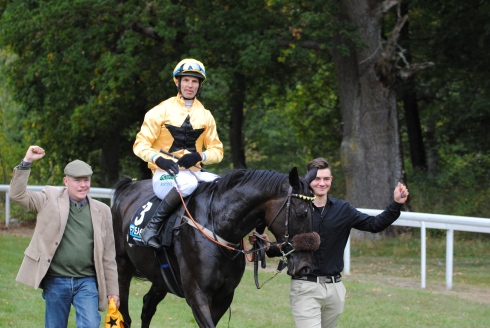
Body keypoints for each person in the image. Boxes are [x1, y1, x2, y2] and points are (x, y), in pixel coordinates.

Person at [251, 157, 409, 328]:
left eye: (326, 179)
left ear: (331, 180)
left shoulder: (343, 209)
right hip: (305, 287)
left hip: (335, 290)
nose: (322, 183)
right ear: (308, 180)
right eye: (317, 179)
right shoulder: (297, 210)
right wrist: (268, 247)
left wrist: (396, 204)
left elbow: (374, 224)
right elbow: (289, 245)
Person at [9, 145, 120, 328]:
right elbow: (16, 194)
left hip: (87, 281)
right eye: (77, 180)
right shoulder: (48, 199)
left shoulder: (103, 211)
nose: (83, 185)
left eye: (86, 180)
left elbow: (109, 256)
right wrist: (27, 161)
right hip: (56, 279)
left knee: (91, 324)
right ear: (66, 181)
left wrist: (113, 291)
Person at [133, 58, 223, 248]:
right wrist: (158, 159)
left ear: (199, 85)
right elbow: (140, 145)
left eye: (195, 81)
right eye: (186, 80)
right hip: (164, 175)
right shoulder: (159, 111)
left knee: (222, 185)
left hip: (195, 173)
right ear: (178, 82)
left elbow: (218, 151)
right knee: (188, 183)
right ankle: (152, 226)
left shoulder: (206, 115)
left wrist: (200, 156)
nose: (190, 85)